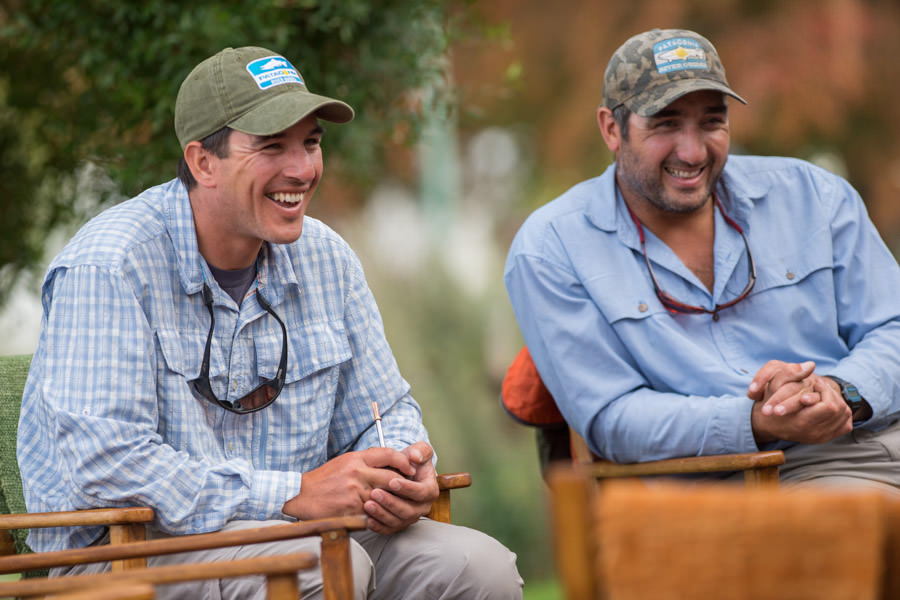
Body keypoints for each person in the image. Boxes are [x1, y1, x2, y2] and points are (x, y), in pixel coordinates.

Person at [18, 46, 523, 599]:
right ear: (202, 162)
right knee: (327, 568)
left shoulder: (327, 257)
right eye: (272, 146)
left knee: (478, 567)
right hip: (128, 554)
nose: (303, 170)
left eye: (310, 142)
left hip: (307, 534)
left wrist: (401, 465)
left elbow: (386, 409)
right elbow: (107, 466)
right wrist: (292, 493)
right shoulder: (110, 265)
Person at [504, 28, 900, 491]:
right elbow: (613, 418)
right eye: (666, 124)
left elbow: (892, 328)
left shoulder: (816, 196)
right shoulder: (552, 248)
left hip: (876, 437)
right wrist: (759, 420)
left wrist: (839, 391)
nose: (692, 152)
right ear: (612, 129)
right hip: (735, 485)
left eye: (712, 122)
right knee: (853, 525)